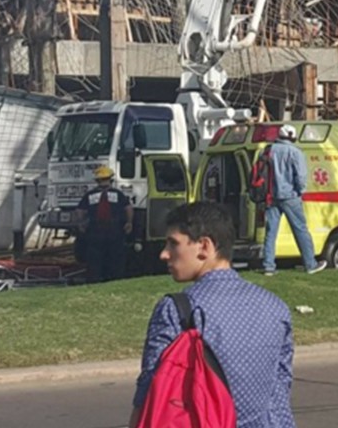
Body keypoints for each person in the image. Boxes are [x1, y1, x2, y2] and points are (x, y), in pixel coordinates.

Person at [129, 202, 295, 428]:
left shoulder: (177, 310)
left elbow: (150, 392)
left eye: (173, 243)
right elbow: (279, 396)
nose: (164, 254)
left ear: (204, 246)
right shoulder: (276, 308)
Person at [262, 125, 326, 276]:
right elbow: (302, 176)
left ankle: (268, 266)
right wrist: (301, 191)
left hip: (271, 196)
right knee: (300, 229)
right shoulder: (295, 152)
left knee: (271, 232)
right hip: (290, 196)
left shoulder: (268, 150)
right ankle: (310, 264)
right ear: (292, 136)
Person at [76, 166, 134, 283]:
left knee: (97, 259)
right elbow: (128, 208)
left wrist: (81, 223)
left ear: (97, 181)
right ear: (110, 180)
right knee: (112, 258)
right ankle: (111, 279)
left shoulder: (90, 195)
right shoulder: (118, 194)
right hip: (111, 231)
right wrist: (129, 222)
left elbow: (80, 211)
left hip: (98, 231)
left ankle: (97, 279)